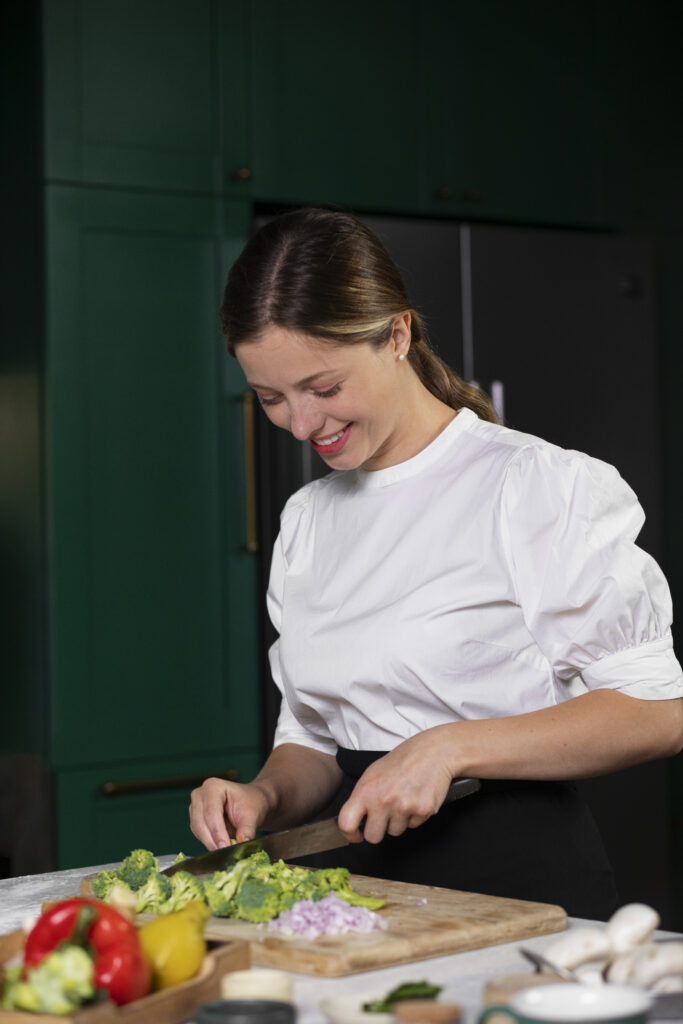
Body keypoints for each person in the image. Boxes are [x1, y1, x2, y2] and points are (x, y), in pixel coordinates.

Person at [190, 207, 683, 918]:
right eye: (270, 398)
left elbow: (656, 712)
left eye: (323, 388)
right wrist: (262, 796)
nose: (301, 425)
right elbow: (315, 737)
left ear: (397, 333)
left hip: (517, 888)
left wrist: (450, 747)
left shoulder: (533, 484)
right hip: (354, 892)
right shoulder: (308, 518)